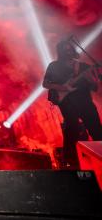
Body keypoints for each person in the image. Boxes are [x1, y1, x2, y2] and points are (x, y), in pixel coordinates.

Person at [43, 39, 102, 168]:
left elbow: (95, 88)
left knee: (97, 131)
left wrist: (94, 80)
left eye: (70, 49)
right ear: (60, 52)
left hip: (85, 102)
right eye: (65, 49)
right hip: (68, 103)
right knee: (72, 131)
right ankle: (69, 163)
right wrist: (64, 87)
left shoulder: (83, 66)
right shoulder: (54, 66)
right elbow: (45, 83)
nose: (68, 51)